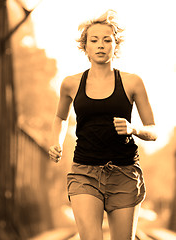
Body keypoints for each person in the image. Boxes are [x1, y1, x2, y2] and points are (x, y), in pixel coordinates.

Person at [49, 10, 157, 240]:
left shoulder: (132, 82)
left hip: (125, 174)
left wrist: (133, 129)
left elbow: (154, 130)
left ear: (115, 46)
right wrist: (56, 142)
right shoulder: (70, 84)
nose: (101, 45)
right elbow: (60, 117)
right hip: (85, 172)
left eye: (107, 40)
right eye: (94, 40)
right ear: (85, 47)